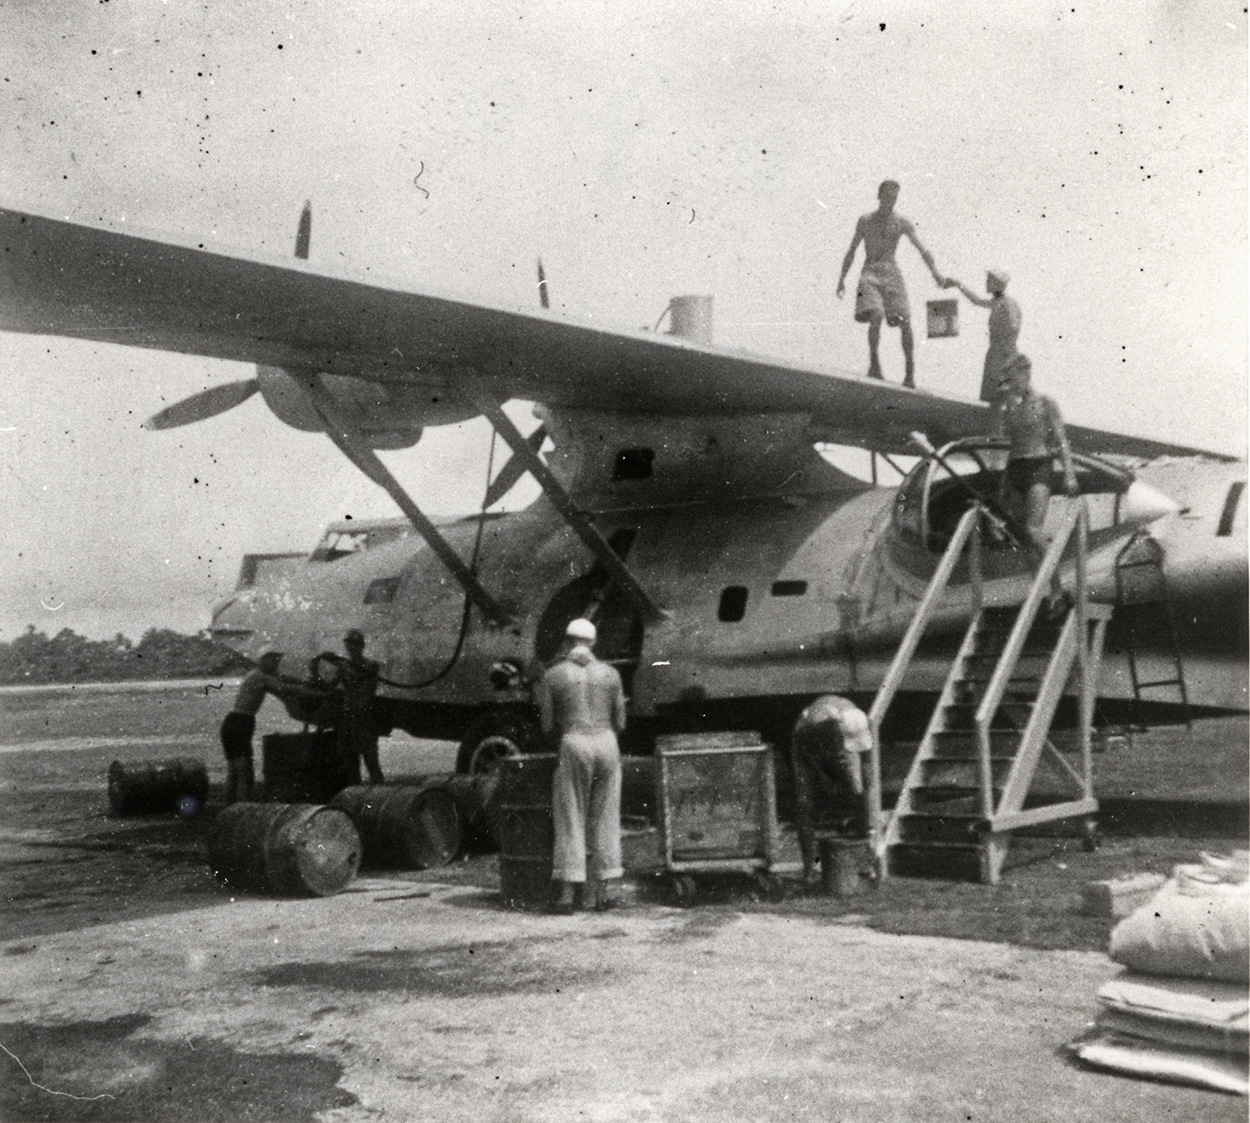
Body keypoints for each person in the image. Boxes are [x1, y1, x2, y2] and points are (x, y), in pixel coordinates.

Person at [536, 617, 627, 914]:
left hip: (575, 740)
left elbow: (546, 725)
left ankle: (566, 896)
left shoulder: (553, 675)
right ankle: (603, 893)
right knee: (606, 816)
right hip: (607, 741)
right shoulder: (611, 674)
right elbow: (621, 722)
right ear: (593, 642)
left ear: (567, 642)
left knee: (571, 815)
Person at [837, 179, 946, 387]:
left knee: (905, 320)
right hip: (870, 272)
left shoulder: (901, 222)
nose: (891, 201)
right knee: (876, 314)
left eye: (894, 198)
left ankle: (909, 372)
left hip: (891, 273)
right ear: (879, 196)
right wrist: (842, 278)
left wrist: (936, 274)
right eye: (887, 197)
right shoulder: (865, 221)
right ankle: (874, 365)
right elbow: (852, 250)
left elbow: (922, 249)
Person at [990, 354, 1079, 575]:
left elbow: (1061, 440)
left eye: (1012, 379)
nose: (1010, 385)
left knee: (1032, 530)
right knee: (1021, 536)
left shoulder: (1045, 403)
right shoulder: (1009, 407)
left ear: (1025, 374)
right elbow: (1000, 441)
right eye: (1007, 380)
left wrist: (1069, 475)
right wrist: (1001, 405)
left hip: (1039, 466)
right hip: (1015, 467)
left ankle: (1057, 584)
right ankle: (1039, 586)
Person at [789, 695, 873, 885]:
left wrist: (864, 778)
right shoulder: (816, 724)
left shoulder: (858, 720)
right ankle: (810, 867)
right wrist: (822, 776)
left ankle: (863, 861)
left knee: (859, 791)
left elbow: (865, 754)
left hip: (835, 738)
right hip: (806, 745)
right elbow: (805, 751)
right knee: (804, 802)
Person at [218, 650, 286, 804]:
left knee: (234, 771)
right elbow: (283, 688)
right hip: (241, 723)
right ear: (264, 660)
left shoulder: (255, 674)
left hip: (233, 722)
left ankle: (229, 809)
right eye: (274, 661)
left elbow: (279, 680)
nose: (277, 665)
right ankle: (243, 808)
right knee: (246, 773)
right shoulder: (261, 677)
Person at [945, 269, 1022, 402]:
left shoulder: (1007, 302)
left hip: (1003, 354)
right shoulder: (998, 301)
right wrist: (958, 285)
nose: (986, 283)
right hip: (997, 353)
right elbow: (976, 300)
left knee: (1002, 397)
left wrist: (1004, 348)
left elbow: (1013, 326)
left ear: (997, 284)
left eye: (989, 280)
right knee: (991, 396)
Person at [337, 629, 384, 785]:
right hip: (349, 717)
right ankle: (355, 792)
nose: (351, 648)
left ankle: (378, 791)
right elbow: (329, 685)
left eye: (355, 644)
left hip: (365, 717)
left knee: (371, 759)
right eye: (349, 644)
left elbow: (368, 682)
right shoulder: (343, 666)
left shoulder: (371, 666)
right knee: (351, 761)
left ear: (361, 646)